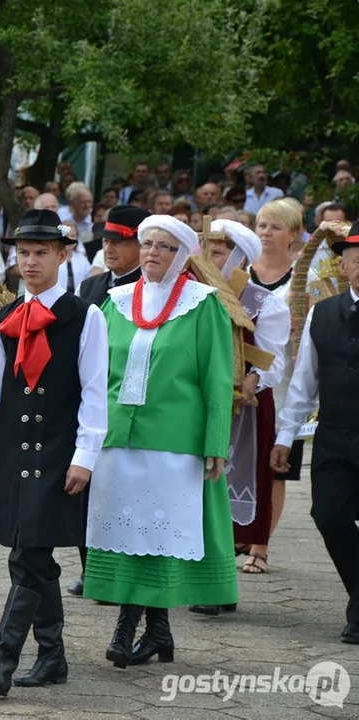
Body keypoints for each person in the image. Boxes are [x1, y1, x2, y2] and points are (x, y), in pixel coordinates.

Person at [84, 215, 237, 668]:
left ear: (184, 255)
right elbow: (92, 375)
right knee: (128, 534)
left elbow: (217, 376)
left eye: (165, 246)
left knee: (159, 537)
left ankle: (129, 628)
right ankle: (157, 633)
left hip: (175, 442)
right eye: (146, 243)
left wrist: (216, 441)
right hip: (116, 439)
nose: (152, 252)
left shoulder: (203, 304)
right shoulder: (113, 302)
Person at [0, 209, 108, 696]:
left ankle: (2, 661)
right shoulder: (5, 315)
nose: (30, 262)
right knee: (29, 555)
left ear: (63, 254)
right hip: (12, 450)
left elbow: (95, 392)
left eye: (41, 253)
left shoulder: (84, 315)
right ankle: (52, 656)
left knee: (29, 553)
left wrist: (85, 455)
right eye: (23, 253)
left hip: (56, 452)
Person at [187, 219, 287, 616]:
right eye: (205, 250)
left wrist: (252, 377)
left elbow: (273, 361)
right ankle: (196, 577)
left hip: (243, 412)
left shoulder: (264, 303)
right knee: (192, 490)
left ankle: (219, 584)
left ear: (240, 258)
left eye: (217, 252)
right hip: (194, 406)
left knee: (226, 491)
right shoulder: (192, 297)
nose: (206, 259)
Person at [271, 230, 359, 643]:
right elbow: (304, 381)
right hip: (335, 433)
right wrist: (285, 436)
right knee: (328, 515)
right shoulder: (320, 314)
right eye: (355, 259)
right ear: (342, 267)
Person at [65, 205, 150, 595]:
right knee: (88, 486)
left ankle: (130, 572)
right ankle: (92, 568)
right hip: (91, 398)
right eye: (106, 239)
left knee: (127, 491)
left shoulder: (152, 289)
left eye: (120, 240)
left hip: (134, 401)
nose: (110, 246)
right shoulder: (91, 287)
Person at [246, 199, 306, 573]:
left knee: (276, 464)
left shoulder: (303, 279)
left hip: (285, 382)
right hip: (242, 379)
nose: (266, 233)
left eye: (275, 227)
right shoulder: (241, 273)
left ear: (294, 235)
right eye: (262, 225)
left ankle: (260, 544)